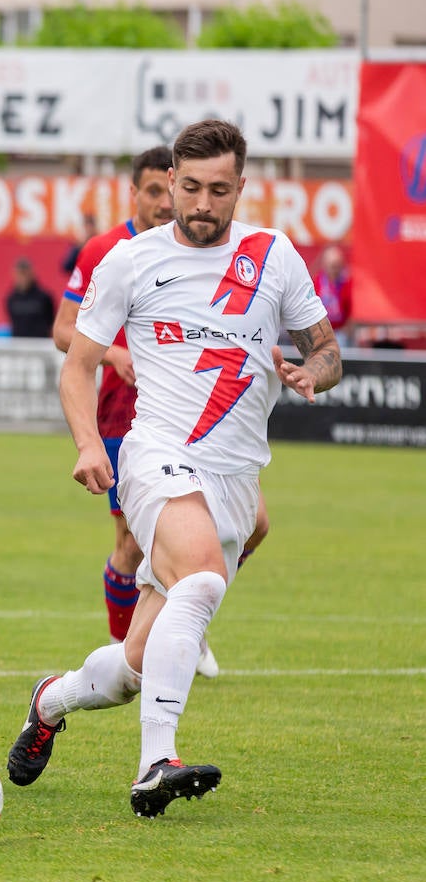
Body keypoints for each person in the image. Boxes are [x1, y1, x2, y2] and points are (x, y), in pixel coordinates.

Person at [8, 119, 341, 818]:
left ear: (240, 188)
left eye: (218, 190)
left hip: (234, 475)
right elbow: (78, 367)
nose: (199, 203)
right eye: (187, 187)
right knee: (204, 576)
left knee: (131, 668)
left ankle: (51, 701)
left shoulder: (273, 256)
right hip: (157, 454)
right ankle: (155, 763)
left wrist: (311, 370)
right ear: (168, 185)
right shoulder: (129, 261)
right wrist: (89, 445)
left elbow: (327, 352)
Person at [53, 146, 266, 672]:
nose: (161, 203)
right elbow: (63, 332)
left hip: (203, 425)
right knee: (130, 546)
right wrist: (118, 354)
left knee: (255, 524)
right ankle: (129, 652)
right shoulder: (109, 250)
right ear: (141, 191)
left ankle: (182, 618)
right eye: (151, 192)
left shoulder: (207, 250)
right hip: (124, 420)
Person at [313, 244, 353, 346]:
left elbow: (350, 310)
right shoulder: (317, 282)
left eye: (337, 266)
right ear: (325, 264)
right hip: (319, 331)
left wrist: (347, 329)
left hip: (339, 332)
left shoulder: (346, 283)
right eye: (332, 266)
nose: (335, 269)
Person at [5, 258, 55, 338]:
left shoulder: (44, 297)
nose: (22, 278)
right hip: (18, 343)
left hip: (40, 343)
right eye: (19, 274)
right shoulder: (11, 299)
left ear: (32, 274)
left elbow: (51, 321)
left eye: (24, 273)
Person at [60, 213, 99, 278]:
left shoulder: (100, 246)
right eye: (86, 227)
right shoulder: (78, 247)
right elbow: (65, 266)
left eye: (90, 227)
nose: (88, 230)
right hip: (80, 281)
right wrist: (79, 248)